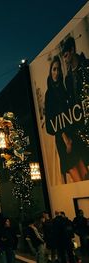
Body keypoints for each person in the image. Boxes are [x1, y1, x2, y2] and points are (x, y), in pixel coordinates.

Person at [44, 55, 87, 183]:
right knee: (77, 177)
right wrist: (64, 138)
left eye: (58, 69)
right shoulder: (49, 94)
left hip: (72, 136)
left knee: (85, 174)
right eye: (54, 69)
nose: (56, 73)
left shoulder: (63, 89)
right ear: (50, 71)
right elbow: (51, 123)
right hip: (63, 140)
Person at [62, 36, 89, 172]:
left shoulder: (86, 66)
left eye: (66, 55)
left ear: (72, 50)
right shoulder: (68, 78)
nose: (65, 60)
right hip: (79, 124)